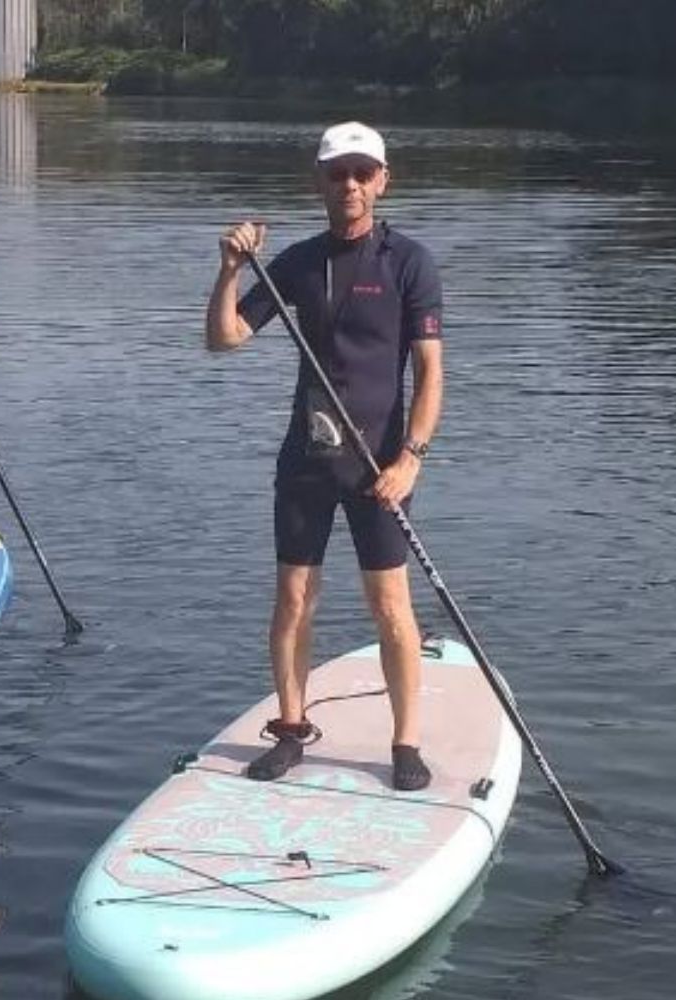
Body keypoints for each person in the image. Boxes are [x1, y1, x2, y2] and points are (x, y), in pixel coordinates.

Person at [205, 121, 444, 791]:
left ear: (381, 181)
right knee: (292, 599)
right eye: (338, 173)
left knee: (390, 606)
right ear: (319, 181)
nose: (351, 184)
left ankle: (405, 742)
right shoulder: (298, 263)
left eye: (362, 172)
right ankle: (290, 729)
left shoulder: (408, 263)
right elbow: (224, 339)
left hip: (380, 468)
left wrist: (412, 460)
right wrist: (227, 271)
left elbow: (429, 374)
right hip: (306, 462)